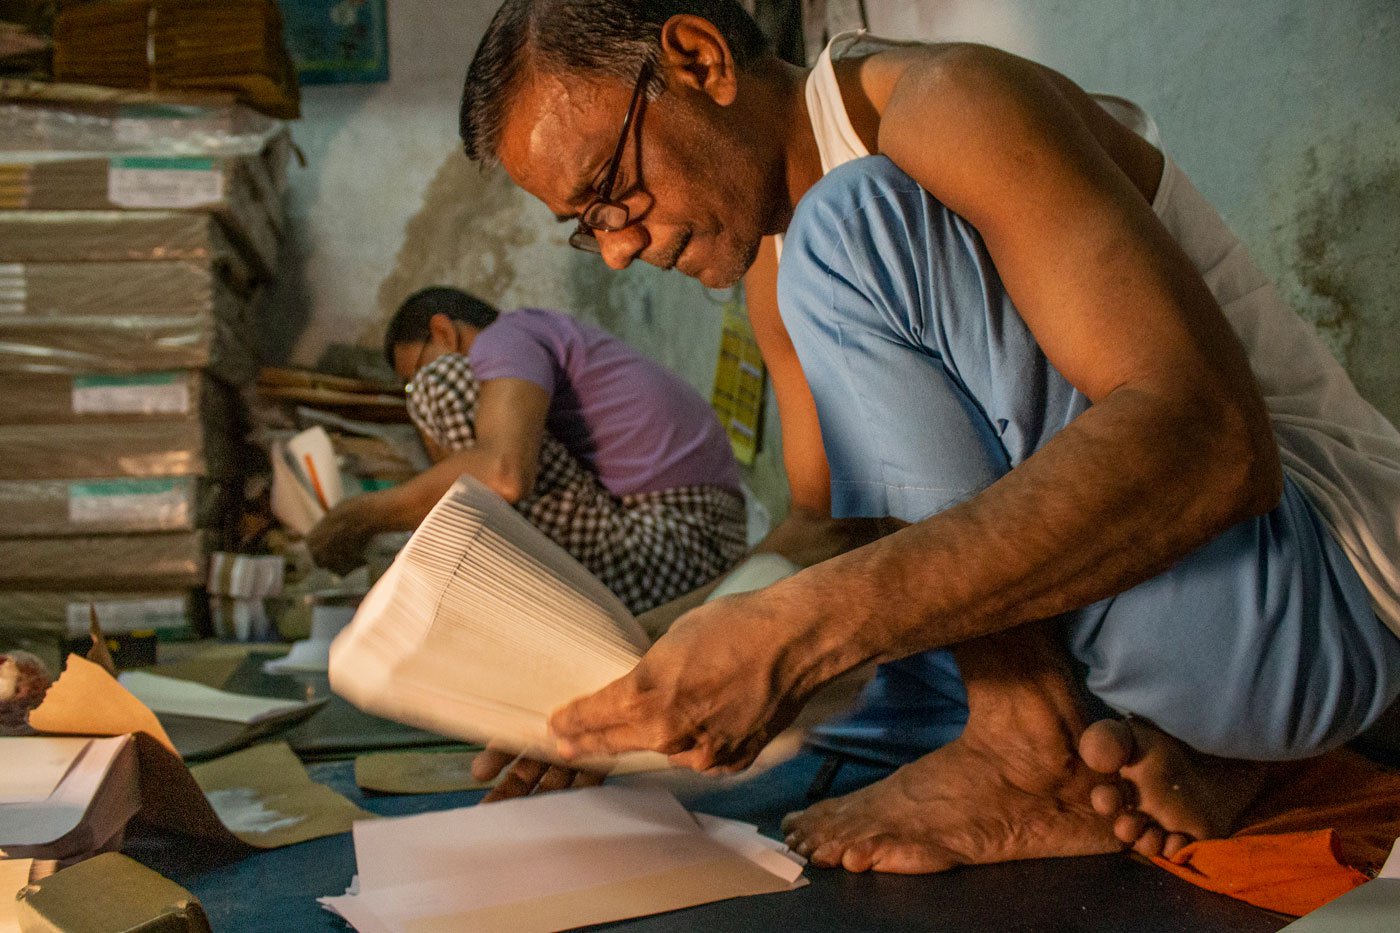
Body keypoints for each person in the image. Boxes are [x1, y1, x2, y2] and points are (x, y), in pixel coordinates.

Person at [456, 0, 1400, 873]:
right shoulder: (775, 272)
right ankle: (1124, 749)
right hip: (1186, 658)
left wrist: (795, 631)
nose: (618, 245)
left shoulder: (945, 108)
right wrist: (632, 666)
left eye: (611, 192)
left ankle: (1027, 744)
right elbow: (832, 527)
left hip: (1322, 594)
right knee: (852, 702)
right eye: (586, 228)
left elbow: (1212, 445)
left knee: (846, 232)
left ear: (699, 60)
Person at [307, 286, 747, 616]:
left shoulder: (506, 337)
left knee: (436, 391)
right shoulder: (537, 334)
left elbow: (503, 475)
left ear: (443, 329)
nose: (413, 390)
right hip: (700, 535)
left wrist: (360, 516)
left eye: (415, 368)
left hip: (680, 541)